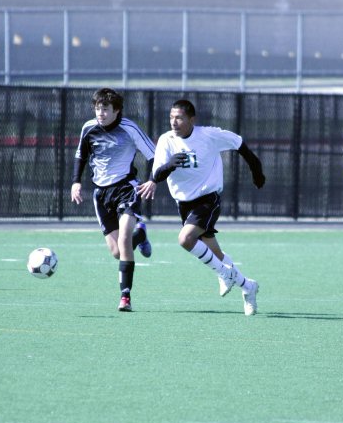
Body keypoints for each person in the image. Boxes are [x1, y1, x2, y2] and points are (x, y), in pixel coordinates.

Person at [152, 99, 266, 315]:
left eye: (179, 118)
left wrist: (257, 171)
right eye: (171, 117)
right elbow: (156, 174)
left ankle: (224, 274)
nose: (173, 122)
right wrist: (170, 164)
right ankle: (248, 286)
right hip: (183, 203)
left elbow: (240, 145)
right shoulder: (166, 140)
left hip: (207, 198)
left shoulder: (208, 136)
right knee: (216, 253)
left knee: (185, 239)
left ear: (191, 119)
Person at [71, 88, 156, 312]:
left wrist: (152, 180)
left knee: (125, 237)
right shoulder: (88, 128)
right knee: (117, 251)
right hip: (101, 195)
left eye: (105, 109)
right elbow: (81, 155)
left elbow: (153, 155)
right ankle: (142, 234)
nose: (101, 113)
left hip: (126, 188)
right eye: (98, 108)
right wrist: (76, 181)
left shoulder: (129, 128)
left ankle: (125, 296)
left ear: (116, 110)